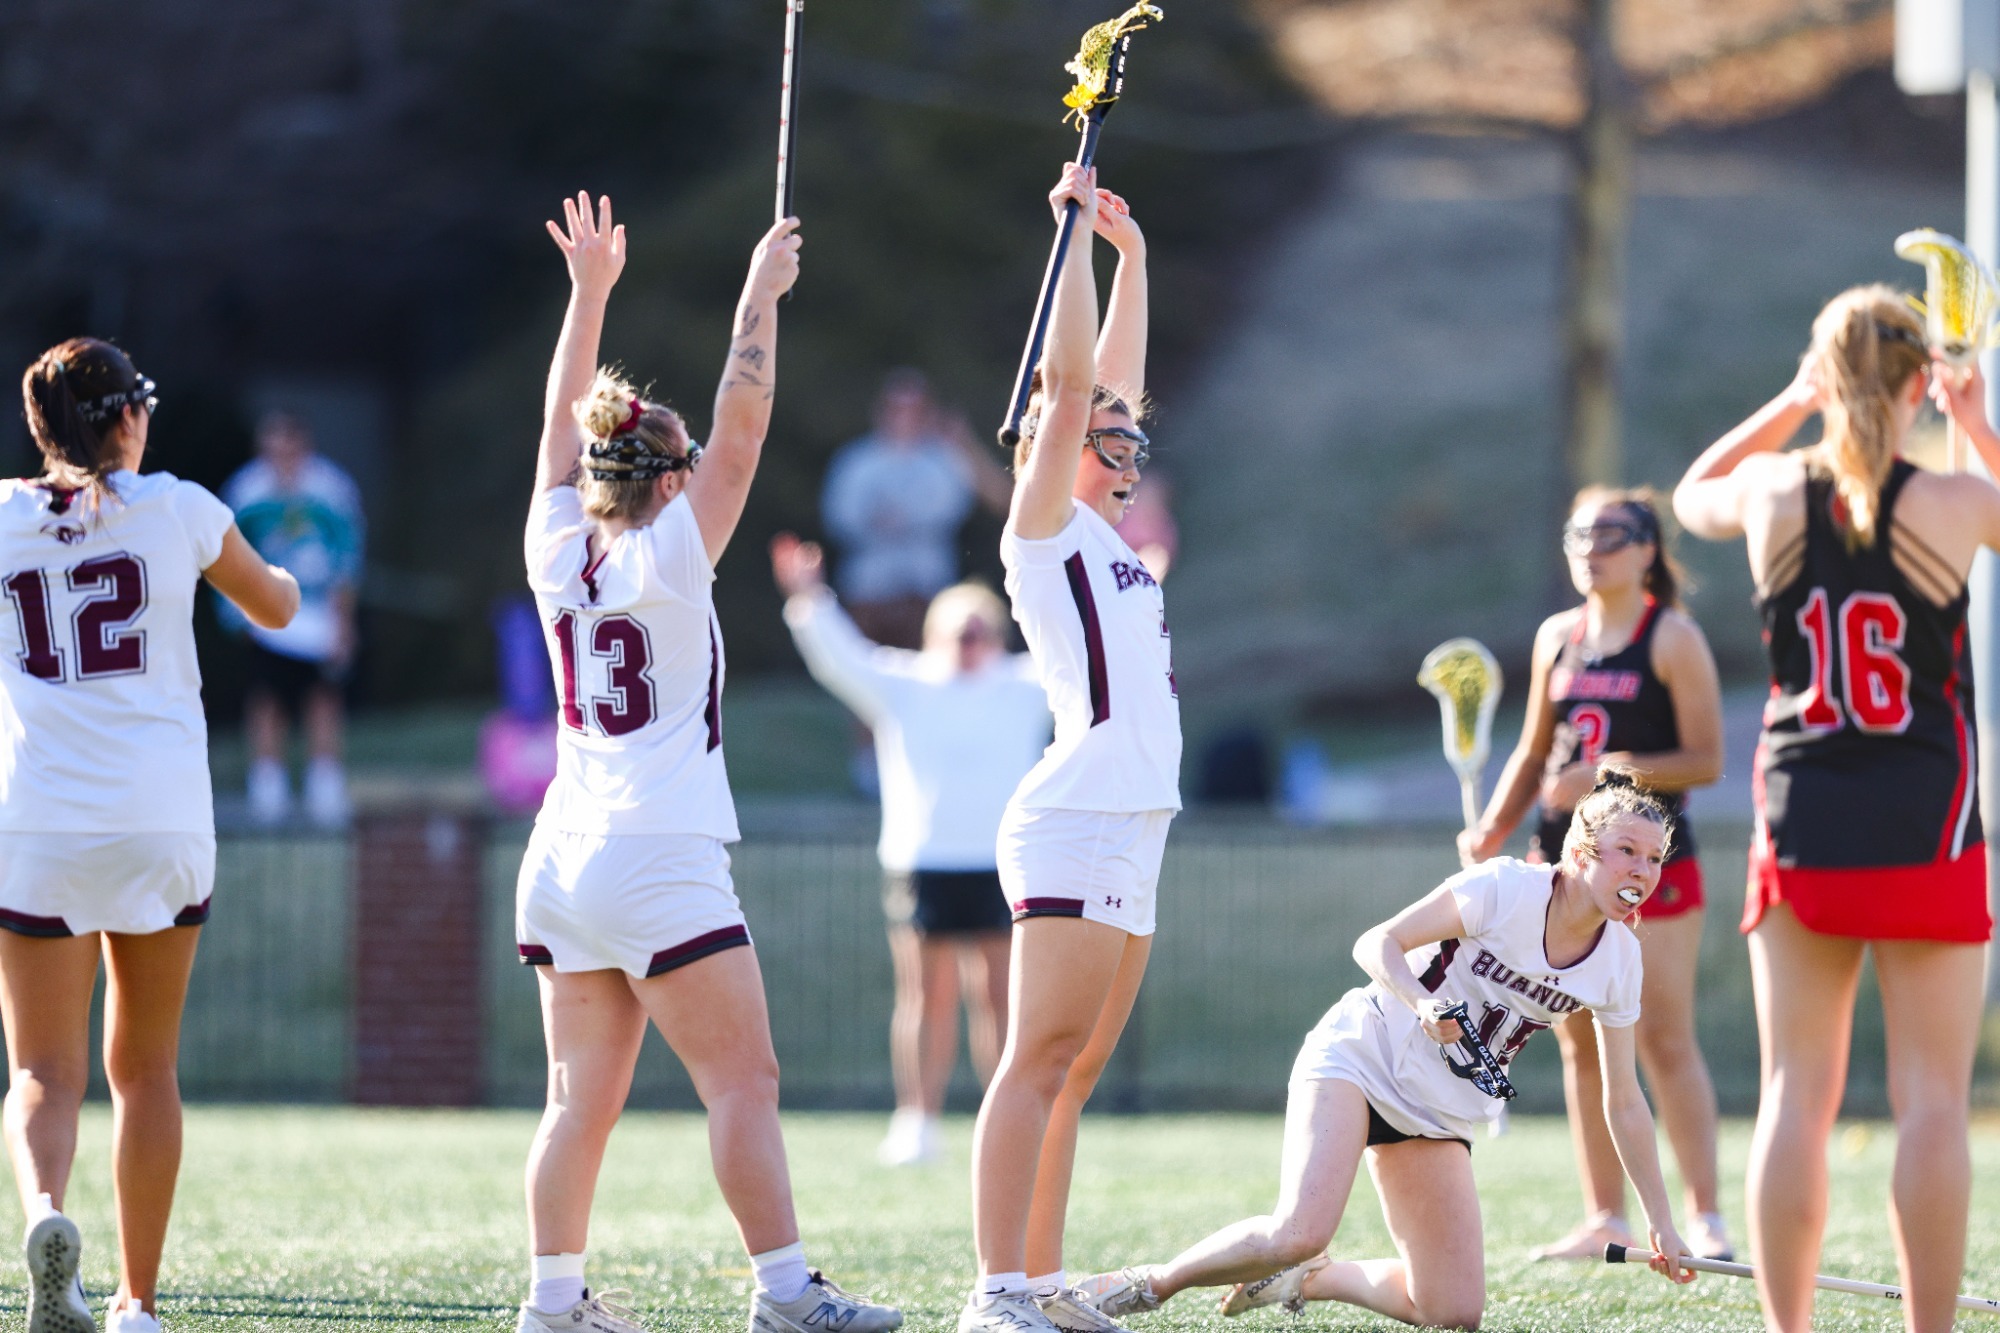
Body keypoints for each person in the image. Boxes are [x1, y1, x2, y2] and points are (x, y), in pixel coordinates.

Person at [511, 194, 899, 1333]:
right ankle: (783, 1293)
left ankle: (552, 1304)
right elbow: (745, 419)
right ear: (667, 479)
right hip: (656, 850)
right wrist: (756, 298)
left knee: (575, 1101)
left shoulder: (551, 544)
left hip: (561, 852)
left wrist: (588, 295)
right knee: (743, 1083)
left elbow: (555, 425)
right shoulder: (672, 555)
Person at [1074, 775, 1695, 1330]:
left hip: (1436, 1113)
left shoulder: (1619, 962)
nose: (1642, 871)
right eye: (1627, 853)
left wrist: (1661, 1221)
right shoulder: (1506, 888)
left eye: (1653, 859)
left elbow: (1624, 1101)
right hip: (1360, 1059)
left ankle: (1307, 1279)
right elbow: (1377, 943)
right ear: (1583, 853)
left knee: (1453, 1312)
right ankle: (1144, 1286)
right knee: (1299, 1230)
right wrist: (1422, 1004)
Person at [1674, 284, 1995, 1333]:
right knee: (1931, 1103)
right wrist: (1976, 425)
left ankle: (1786, 1329)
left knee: (1791, 1096)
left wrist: (1789, 401)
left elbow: (1690, 493)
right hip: (1927, 823)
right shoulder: (1952, 500)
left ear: (1825, 377)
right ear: (1915, 384)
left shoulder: (1770, 489)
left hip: (1802, 815)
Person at [4, 339, 299, 1333]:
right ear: (128, 415)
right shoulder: (179, 504)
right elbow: (276, 606)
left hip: (39, 816)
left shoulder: (1, 517)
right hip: (160, 815)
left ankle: (48, 1219)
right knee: (147, 1070)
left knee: (44, 1072)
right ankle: (137, 1301)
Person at [958, 166, 1171, 1333]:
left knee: (1075, 1072)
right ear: (1051, 437)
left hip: (1134, 816)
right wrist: (1078, 237)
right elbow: (1077, 376)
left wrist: (1133, 258)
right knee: (1036, 1057)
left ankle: (1038, 1282)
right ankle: (994, 1290)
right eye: (1108, 429)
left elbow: (1108, 383)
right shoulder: (1042, 528)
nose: (1128, 436)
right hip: (1075, 813)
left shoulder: (1108, 533)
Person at [1459, 486, 1731, 1263]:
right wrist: (1494, 827)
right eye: (1580, 530)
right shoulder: (1558, 636)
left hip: (1652, 873)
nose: (1592, 544)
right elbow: (1531, 750)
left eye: (1613, 532)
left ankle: (1706, 1215)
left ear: (1649, 549)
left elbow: (1706, 758)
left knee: (1664, 1036)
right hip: (1567, 872)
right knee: (1578, 1042)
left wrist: (1615, 772)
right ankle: (1603, 1215)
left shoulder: (1671, 637)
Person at [772, 534, 1049, 1166]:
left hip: (1004, 865)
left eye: (980, 631)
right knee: (925, 995)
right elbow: (840, 659)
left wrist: (1140, 586)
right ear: (934, 635)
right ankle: (917, 1121)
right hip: (921, 860)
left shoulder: (1026, 686)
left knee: (1001, 995)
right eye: (958, 631)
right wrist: (810, 600)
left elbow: (1091, 656)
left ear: (1000, 636)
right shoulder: (906, 685)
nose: (969, 642)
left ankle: (1003, 1122)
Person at [220, 411, 365, 827]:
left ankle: (325, 782)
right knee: (267, 698)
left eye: (289, 446)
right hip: (266, 616)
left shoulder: (332, 490)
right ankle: (268, 785)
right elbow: (229, 558)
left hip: (317, 616)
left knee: (323, 698)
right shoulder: (246, 490)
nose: (281, 456)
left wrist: (343, 622)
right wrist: (240, 615)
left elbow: (347, 560)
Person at [820, 370, 1003, 650]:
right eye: (897, 409)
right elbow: (839, 516)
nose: (904, 418)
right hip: (868, 584)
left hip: (927, 581)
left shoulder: (945, 458)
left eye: (914, 410)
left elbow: (965, 505)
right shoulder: (856, 460)